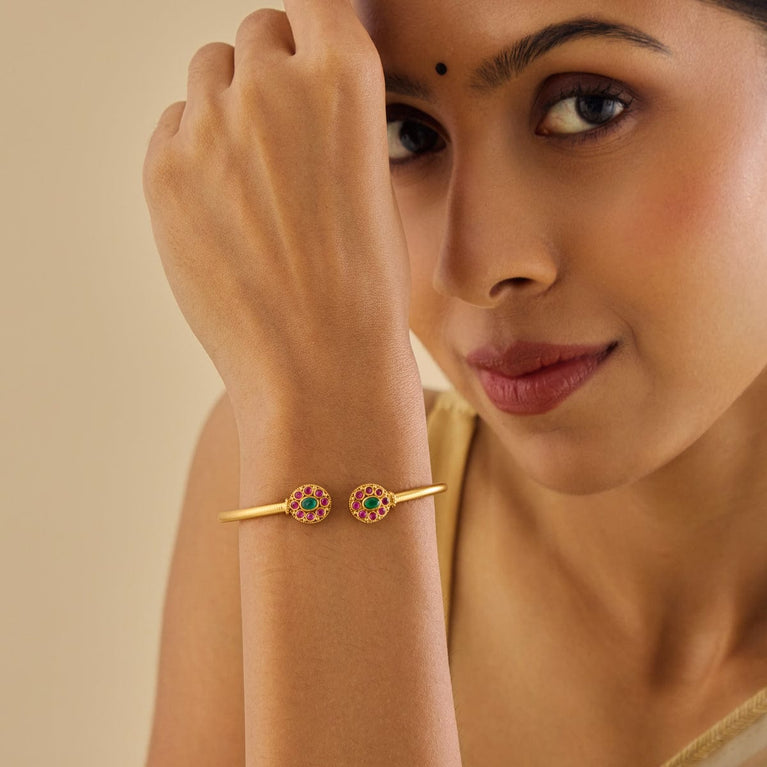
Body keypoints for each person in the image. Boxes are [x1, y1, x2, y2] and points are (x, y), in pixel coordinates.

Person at [141, 1, 767, 765]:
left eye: (587, 107)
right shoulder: (291, 453)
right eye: (403, 133)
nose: (470, 267)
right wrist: (320, 412)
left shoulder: (315, 466)